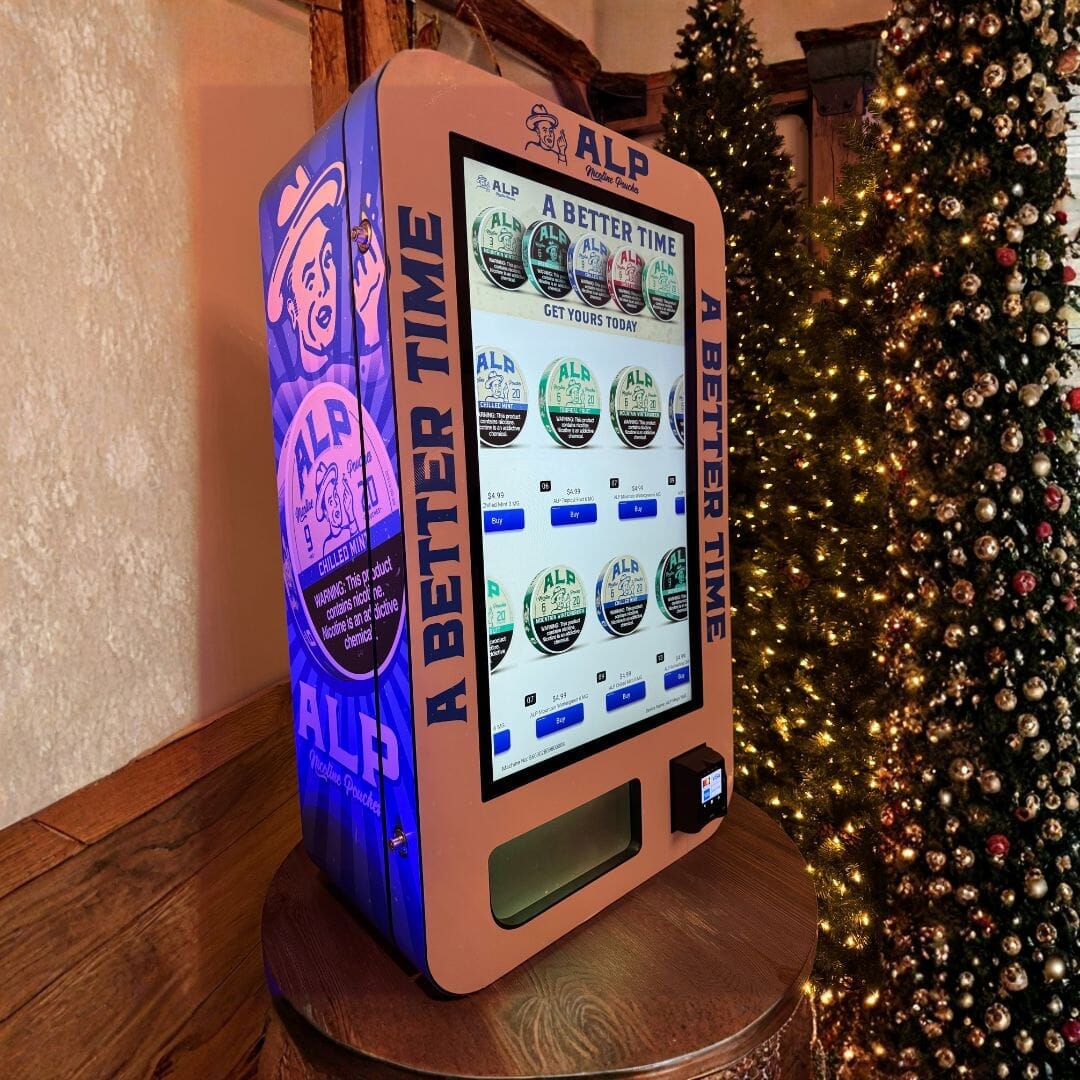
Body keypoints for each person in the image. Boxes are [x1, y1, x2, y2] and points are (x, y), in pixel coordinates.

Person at [267, 162, 346, 378]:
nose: (325, 287)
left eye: (328, 261)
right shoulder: (288, 398)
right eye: (310, 277)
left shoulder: (357, 371)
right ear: (291, 309)